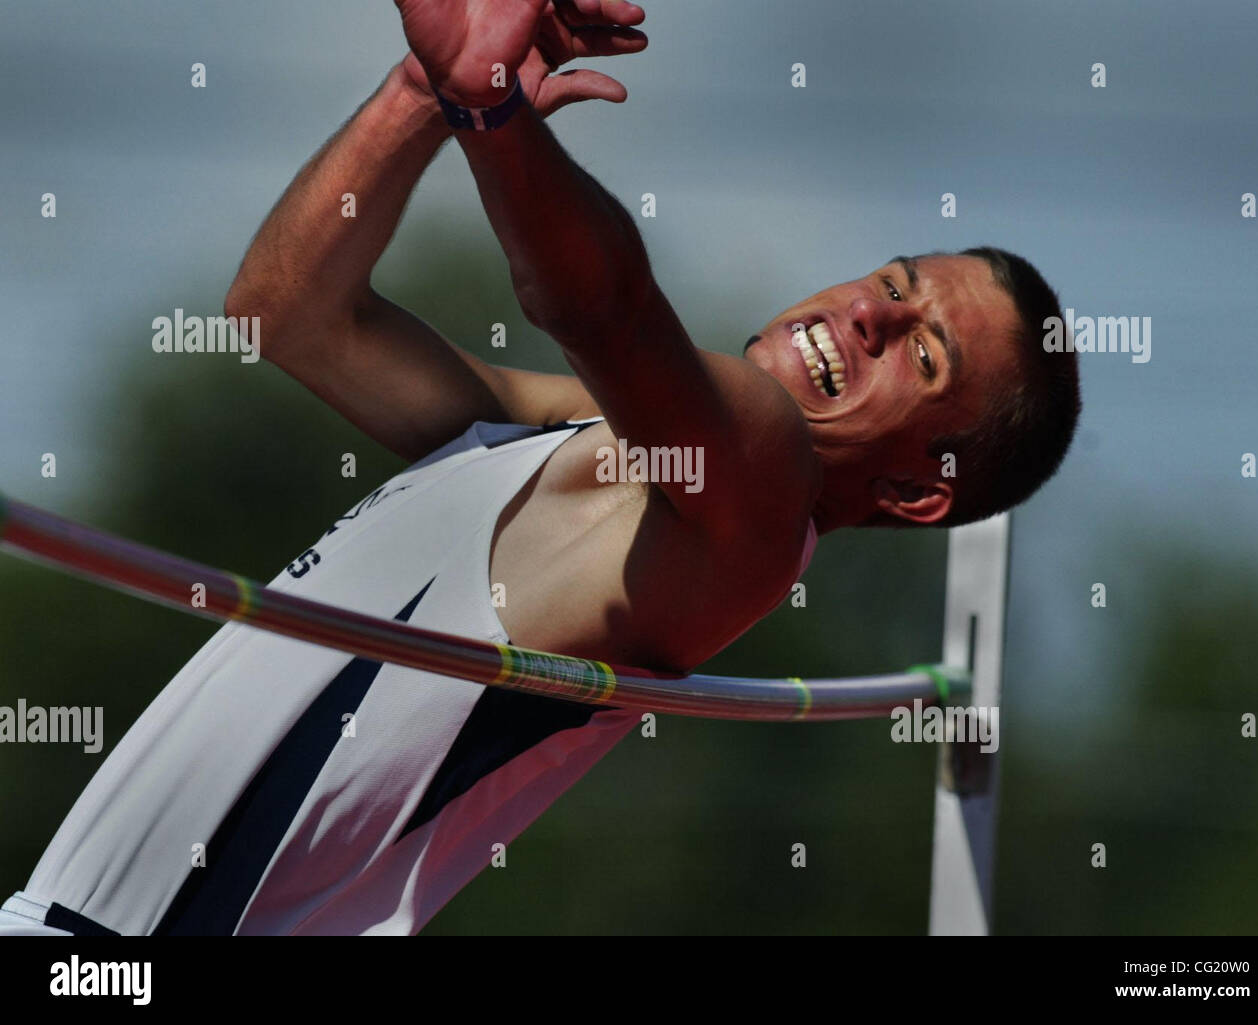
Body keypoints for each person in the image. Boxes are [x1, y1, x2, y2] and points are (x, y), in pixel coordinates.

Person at [0, 0, 1079, 935]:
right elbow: (288, 315)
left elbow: (600, 306)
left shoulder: (752, 507)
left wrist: (490, 112)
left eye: (921, 350)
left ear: (913, 491)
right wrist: (417, 92)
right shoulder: (582, 438)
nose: (872, 310)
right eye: (894, 280)